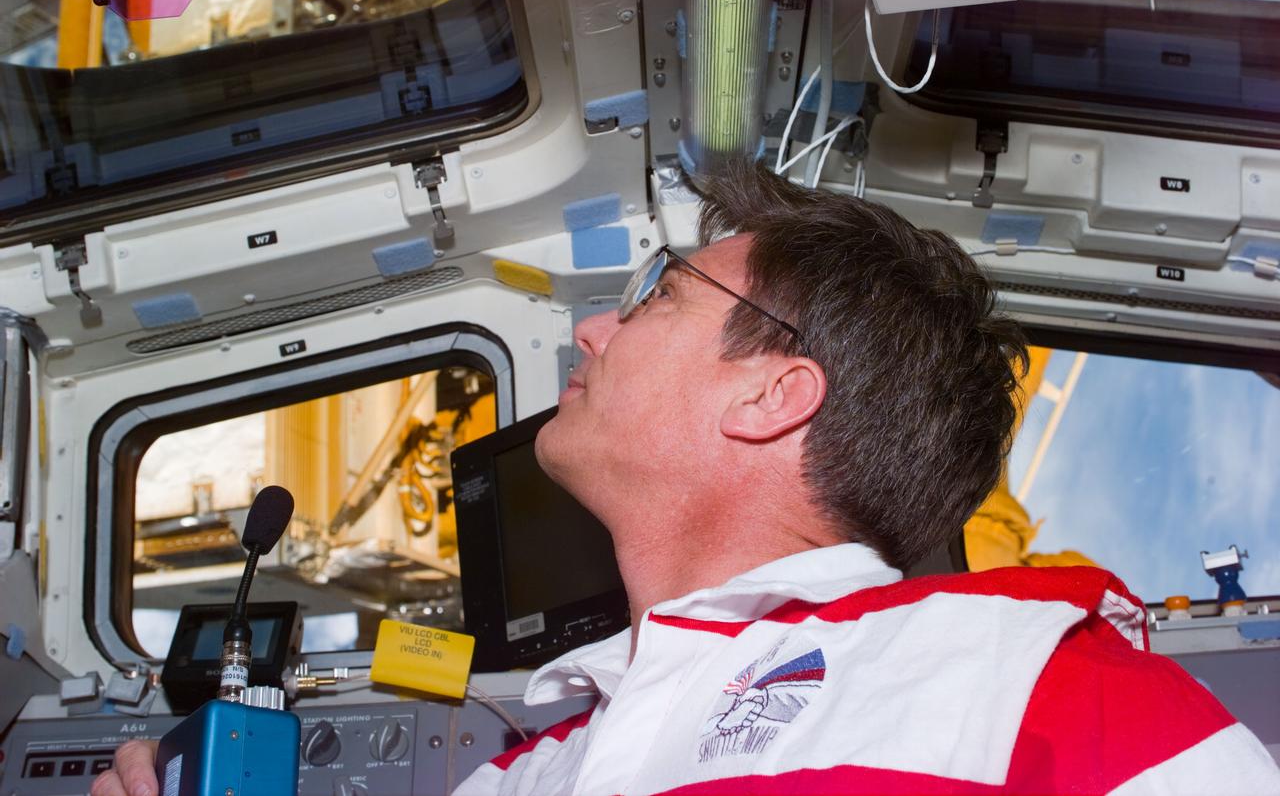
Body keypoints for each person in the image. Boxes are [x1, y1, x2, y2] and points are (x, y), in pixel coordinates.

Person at [93, 162, 1280, 796]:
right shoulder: (529, 767)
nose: (595, 328)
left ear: (772, 395)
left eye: (659, 296)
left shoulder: (1042, 697)